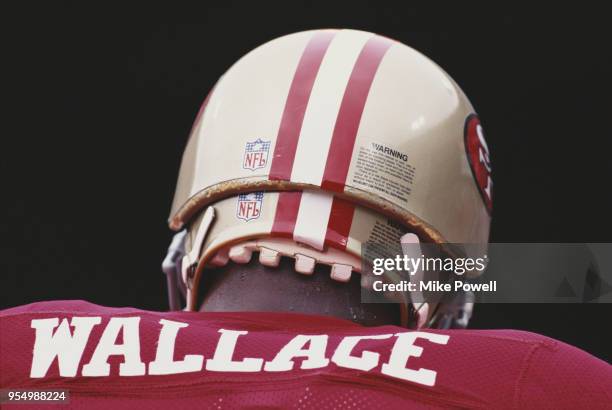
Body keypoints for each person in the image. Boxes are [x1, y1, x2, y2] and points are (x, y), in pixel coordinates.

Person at [1, 29, 610, 409]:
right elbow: (580, 277)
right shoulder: (539, 381)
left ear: (188, 249)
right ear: (438, 285)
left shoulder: (25, 355)